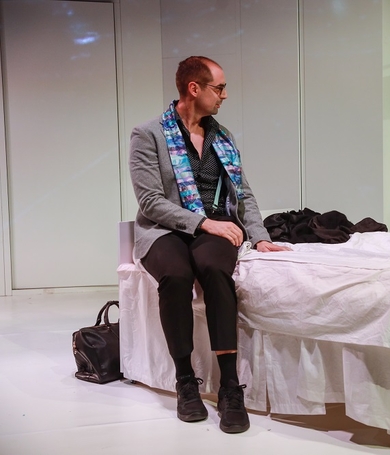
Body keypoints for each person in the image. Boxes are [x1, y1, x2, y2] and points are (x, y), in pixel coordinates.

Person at [129, 55, 289, 434]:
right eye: (219, 88)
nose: (225, 95)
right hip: (164, 229)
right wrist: (203, 223)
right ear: (194, 88)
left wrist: (260, 236)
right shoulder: (148, 134)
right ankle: (185, 381)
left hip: (215, 227)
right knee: (175, 275)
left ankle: (230, 385)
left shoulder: (222, 136)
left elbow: (243, 194)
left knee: (216, 270)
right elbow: (150, 201)